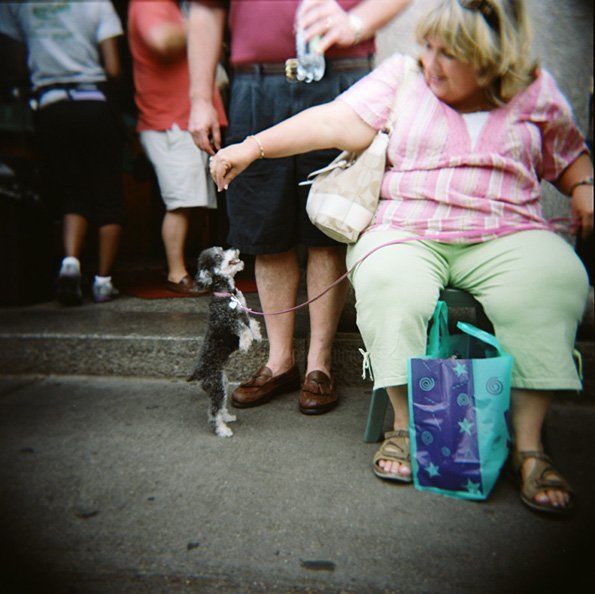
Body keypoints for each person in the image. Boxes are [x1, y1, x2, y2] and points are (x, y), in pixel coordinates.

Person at [209, 0, 594, 515]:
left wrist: (585, 187)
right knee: (389, 280)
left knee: (553, 277)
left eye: (449, 54)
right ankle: (404, 428)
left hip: (507, 231)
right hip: (408, 229)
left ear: (493, 58)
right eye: (427, 47)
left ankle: (530, 448)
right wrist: (250, 147)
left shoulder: (533, 89)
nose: (430, 63)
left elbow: (569, 156)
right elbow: (332, 120)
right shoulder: (403, 77)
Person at [188, 0, 412, 415]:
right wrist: (200, 96)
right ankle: (280, 361)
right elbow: (206, 10)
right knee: (264, 230)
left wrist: (357, 21)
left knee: (331, 222)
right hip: (255, 84)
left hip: (343, 81)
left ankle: (319, 364)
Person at [0, 1, 126, 305]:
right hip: (93, 102)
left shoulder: (21, 6)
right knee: (107, 191)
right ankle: (103, 282)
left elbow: (15, 62)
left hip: (51, 106)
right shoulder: (98, 4)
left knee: (73, 191)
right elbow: (113, 67)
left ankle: (70, 263)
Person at [128, 0, 226, 294]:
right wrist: (203, 25)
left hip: (183, 119)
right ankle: (176, 274)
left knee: (194, 202)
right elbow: (163, 40)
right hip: (169, 120)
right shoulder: (149, 4)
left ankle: (191, 269)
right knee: (181, 203)